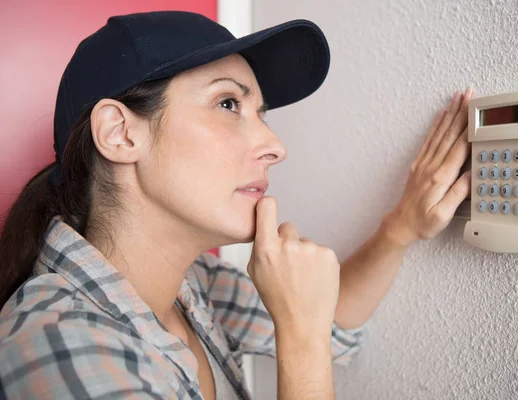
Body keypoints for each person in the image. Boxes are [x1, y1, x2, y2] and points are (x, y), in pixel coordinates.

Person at [0, 10, 473, 400]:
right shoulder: (62, 344)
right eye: (228, 104)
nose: (275, 145)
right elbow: (313, 333)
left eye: (260, 114)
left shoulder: (190, 286)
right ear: (121, 134)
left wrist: (400, 228)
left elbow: (331, 321)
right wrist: (302, 340)